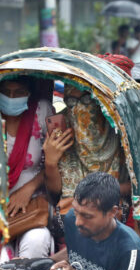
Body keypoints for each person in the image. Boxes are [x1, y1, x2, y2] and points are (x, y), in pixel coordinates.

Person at [0, 76, 57, 270]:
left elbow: (56, 164)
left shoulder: (42, 113)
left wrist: (28, 188)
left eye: (18, 91)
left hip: (31, 209)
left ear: (28, 93)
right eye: (6, 91)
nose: (11, 97)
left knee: (38, 242)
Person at [44, 81, 130, 215]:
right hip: (70, 217)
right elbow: (56, 190)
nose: (79, 109)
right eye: (72, 101)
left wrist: (95, 196)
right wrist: (50, 162)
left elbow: (135, 185)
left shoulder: (121, 130)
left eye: (86, 100)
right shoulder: (64, 131)